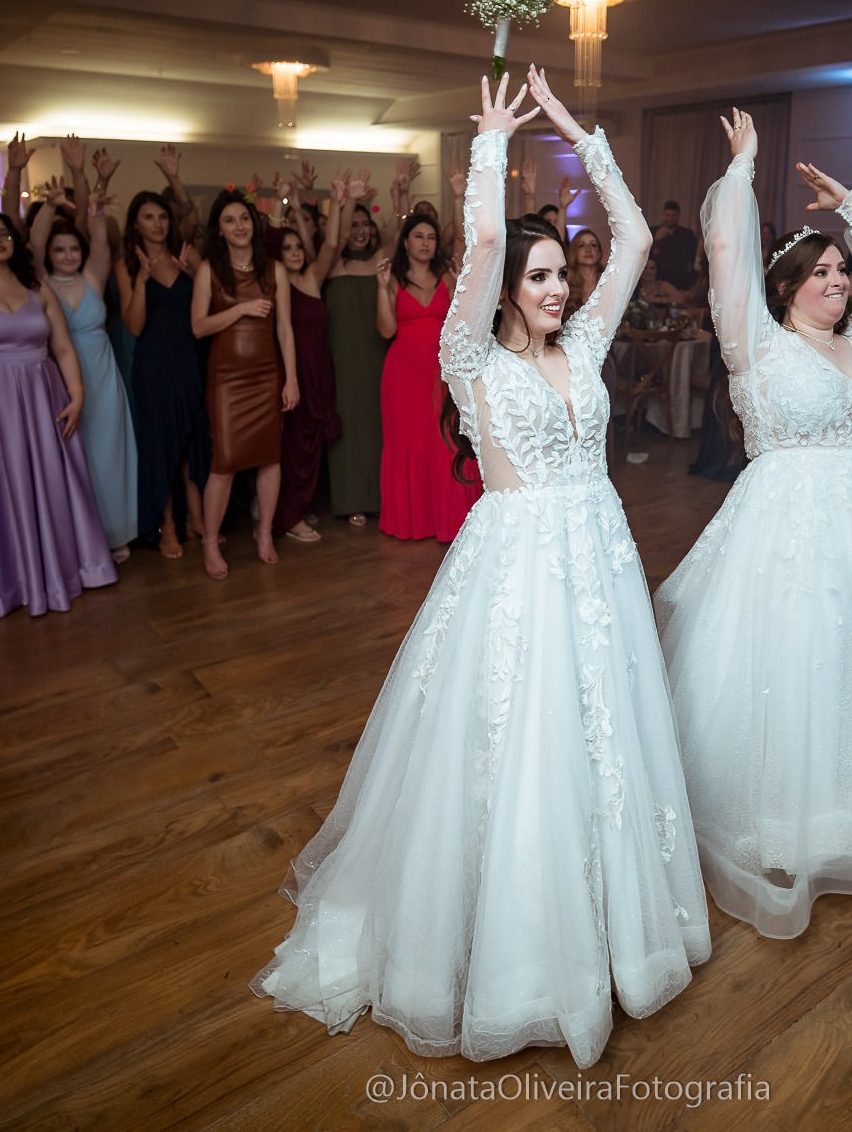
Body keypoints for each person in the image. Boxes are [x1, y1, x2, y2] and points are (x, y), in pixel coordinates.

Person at [254, 69, 710, 1068]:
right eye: (539, 278)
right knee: (519, 735)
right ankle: (508, 949)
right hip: (515, 561)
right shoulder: (470, 359)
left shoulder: (585, 348)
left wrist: (574, 132)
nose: (556, 290)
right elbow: (490, 242)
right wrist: (494, 150)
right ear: (504, 290)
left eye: (561, 276)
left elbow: (630, 241)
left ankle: (608, 928)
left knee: (606, 733)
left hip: (598, 558)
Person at [654, 110, 852, 939]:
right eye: (820, 271)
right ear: (786, 288)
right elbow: (724, 255)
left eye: (839, 271)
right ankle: (784, 819)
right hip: (788, 536)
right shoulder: (757, 343)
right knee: (797, 663)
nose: (837, 280)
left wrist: (848, 207)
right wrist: (745, 167)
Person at [0, 210, 117, 618]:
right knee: (0, 489)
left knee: (53, 484)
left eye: (4, 233)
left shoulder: (37, 288)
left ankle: (62, 573)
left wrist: (76, 394)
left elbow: (65, 348)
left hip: (43, 398)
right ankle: (8, 584)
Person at [191, 191, 297, 577]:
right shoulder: (209, 271)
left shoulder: (274, 270)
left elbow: (285, 330)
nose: (239, 226)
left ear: (255, 224)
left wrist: (292, 380)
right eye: (229, 221)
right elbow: (198, 327)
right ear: (219, 230)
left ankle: (264, 532)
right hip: (226, 380)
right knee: (225, 463)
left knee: (270, 458)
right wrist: (239, 308)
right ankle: (209, 541)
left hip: (266, 375)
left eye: (244, 219)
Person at [38, 178, 139, 563]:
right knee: (70, 455)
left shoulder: (93, 278)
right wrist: (49, 207)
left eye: (73, 248)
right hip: (59, 378)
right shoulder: (40, 283)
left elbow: (101, 244)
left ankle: (113, 532)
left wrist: (94, 211)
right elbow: (30, 244)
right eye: (59, 249)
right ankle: (77, 536)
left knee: (107, 453)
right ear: (48, 254)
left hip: (101, 373)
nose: (68, 255)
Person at [374, 210, 480, 541]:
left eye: (431, 238)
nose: (425, 243)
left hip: (441, 371)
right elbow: (386, 329)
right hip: (402, 375)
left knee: (445, 441)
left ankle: (450, 522)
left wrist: (463, 283)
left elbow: (465, 325)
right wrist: (380, 288)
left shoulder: (447, 278)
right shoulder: (391, 278)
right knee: (409, 443)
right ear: (405, 242)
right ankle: (412, 521)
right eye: (419, 236)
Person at [120, 190, 211, 557]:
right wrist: (142, 281)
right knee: (161, 445)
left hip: (189, 359)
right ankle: (166, 526)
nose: (158, 223)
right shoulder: (125, 265)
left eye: (162, 216)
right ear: (135, 224)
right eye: (148, 217)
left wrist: (192, 275)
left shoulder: (187, 256)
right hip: (154, 364)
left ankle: (197, 519)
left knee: (192, 440)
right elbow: (135, 327)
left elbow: (208, 307)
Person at [321, 204, 392, 528]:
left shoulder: (381, 262)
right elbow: (334, 241)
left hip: (379, 355)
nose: (360, 230)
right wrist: (345, 201)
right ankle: (351, 499)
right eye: (355, 225)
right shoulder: (334, 264)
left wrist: (400, 194)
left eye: (366, 224)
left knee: (378, 427)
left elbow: (398, 237)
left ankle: (380, 498)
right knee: (349, 431)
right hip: (343, 359)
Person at [272, 226, 341, 543]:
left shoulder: (311, 278)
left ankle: (296, 506)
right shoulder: (274, 284)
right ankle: (289, 516)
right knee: (294, 447)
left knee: (312, 441)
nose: (296, 252)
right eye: (287, 248)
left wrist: (340, 201)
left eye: (299, 246)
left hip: (319, 368)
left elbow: (329, 242)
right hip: (293, 370)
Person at [564, 226, 606, 319]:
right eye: (581, 245)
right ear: (574, 252)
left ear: (599, 253)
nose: (588, 249)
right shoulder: (566, 282)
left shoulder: (607, 281)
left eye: (593, 245)